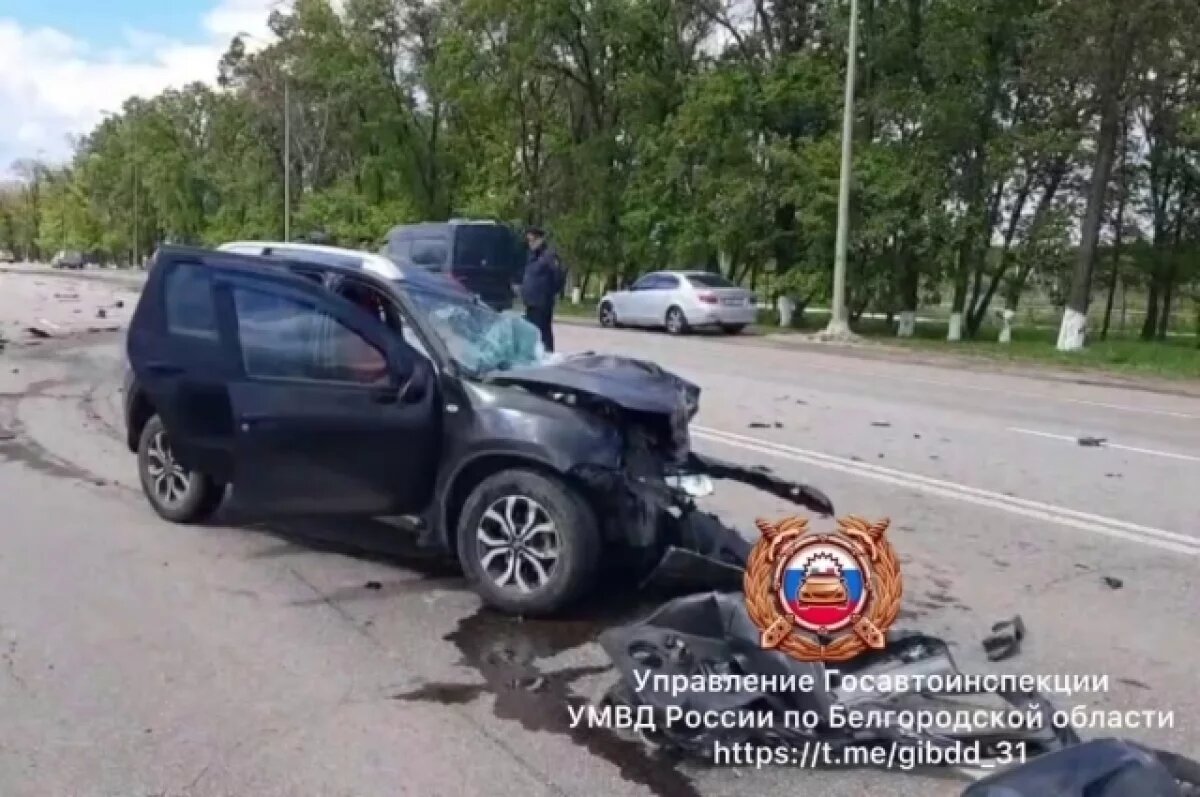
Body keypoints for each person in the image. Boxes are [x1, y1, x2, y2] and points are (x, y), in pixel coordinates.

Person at [520, 226, 565, 352]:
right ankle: (537, 356)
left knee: (543, 332)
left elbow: (558, 276)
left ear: (540, 239)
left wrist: (548, 293)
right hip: (531, 303)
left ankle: (548, 354)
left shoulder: (549, 256)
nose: (530, 243)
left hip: (542, 302)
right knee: (533, 333)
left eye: (533, 240)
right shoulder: (532, 256)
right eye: (529, 240)